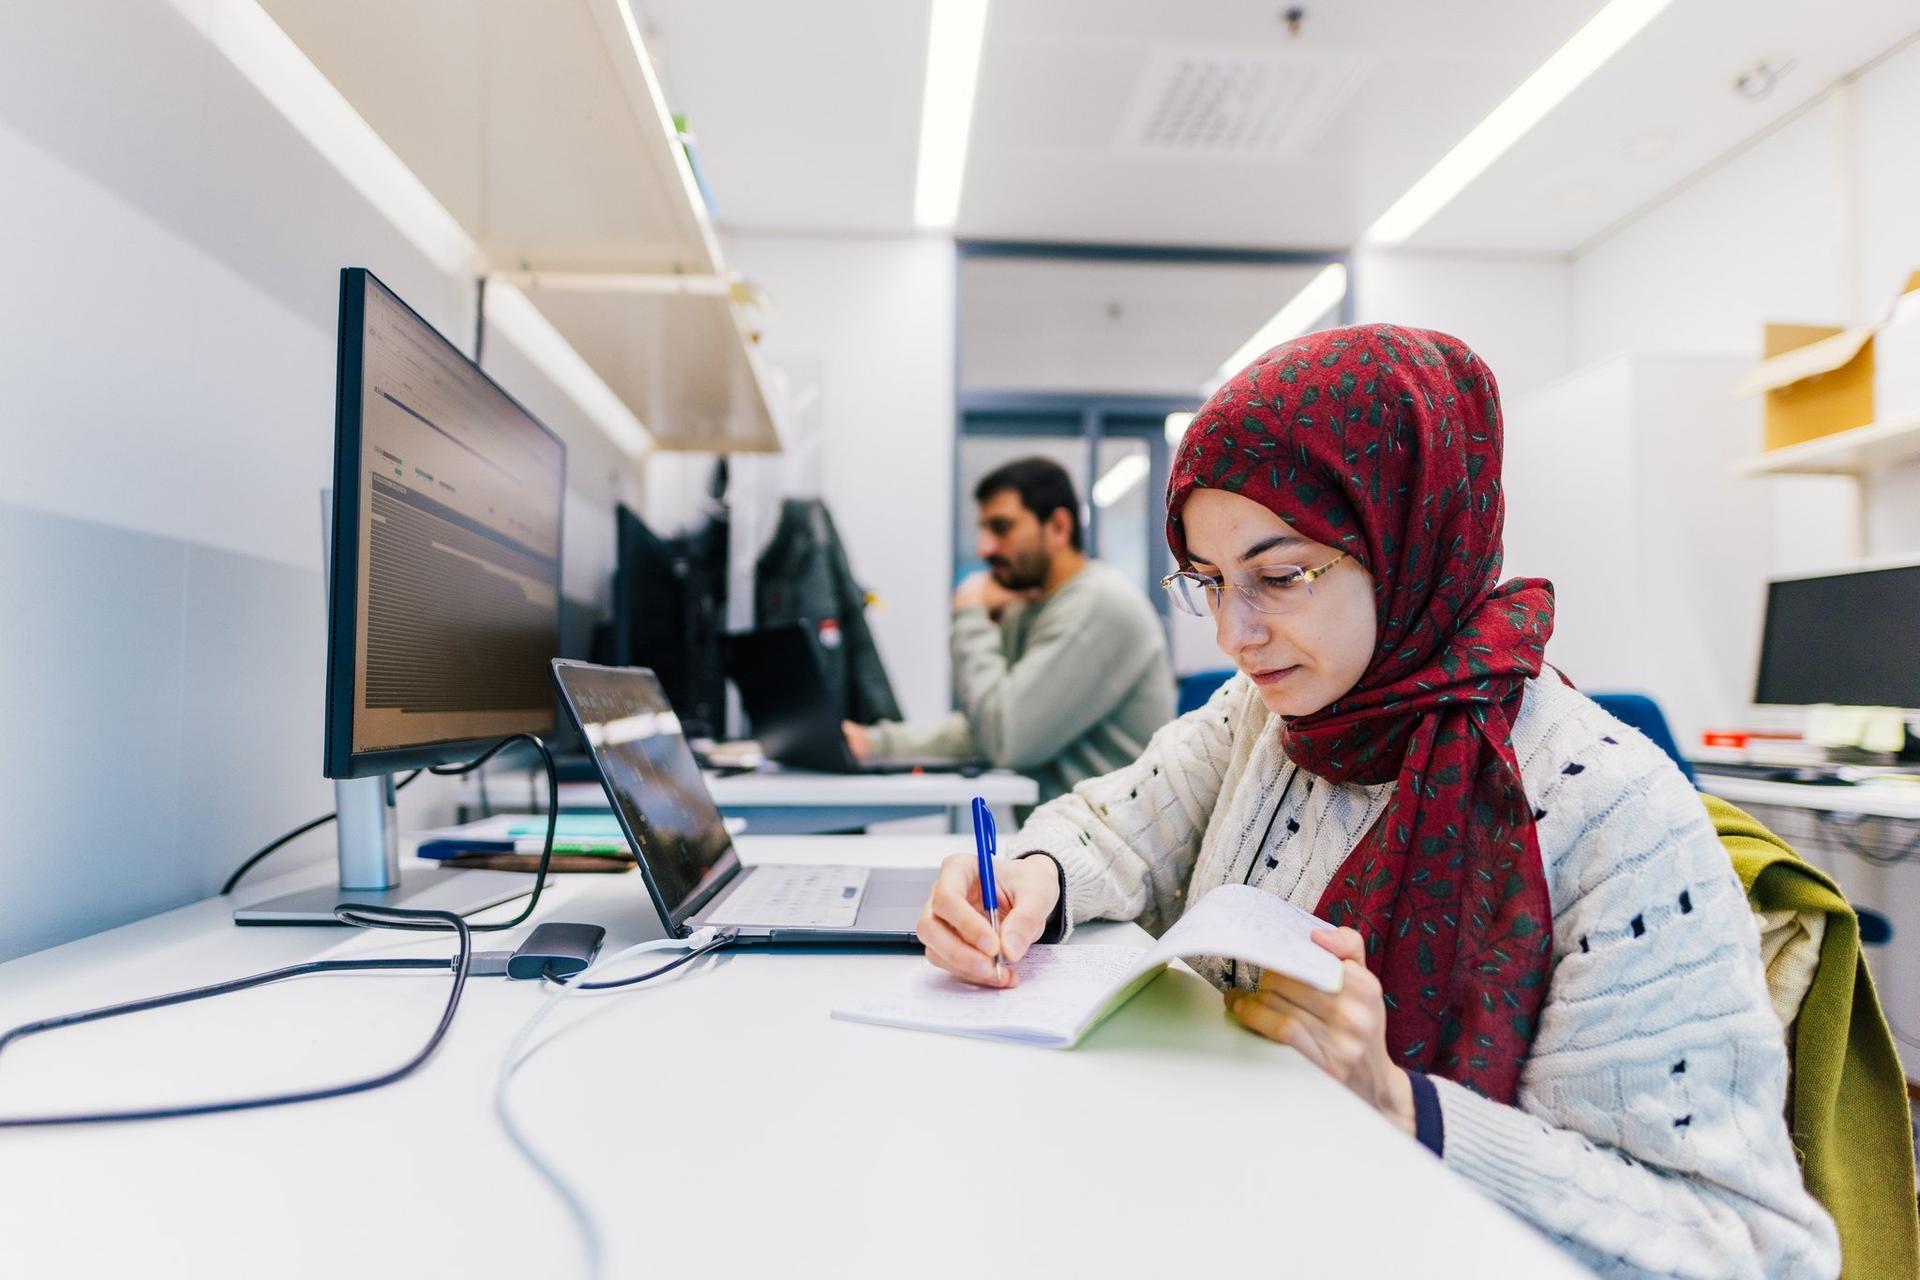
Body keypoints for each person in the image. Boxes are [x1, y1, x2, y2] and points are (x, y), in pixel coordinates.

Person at [915, 325, 1840, 1278]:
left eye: (1279, 578)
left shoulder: (1616, 814)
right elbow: (1114, 824)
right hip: (1236, 1203)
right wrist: (1031, 874)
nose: (1233, 633)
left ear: (1411, 538)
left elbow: (1749, 1250)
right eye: (1209, 582)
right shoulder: (1265, 715)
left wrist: (1401, 1105)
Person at [846, 457, 1174, 803]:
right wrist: (873, 743)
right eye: (984, 530)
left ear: (1059, 527)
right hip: (1068, 838)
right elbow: (984, 727)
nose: (984, 548)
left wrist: (970, 613)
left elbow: (1004, 739)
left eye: (1001, 528)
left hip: (1116, 846)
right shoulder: (1031, 609)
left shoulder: (1098, 605)